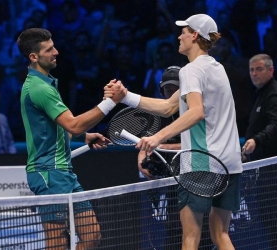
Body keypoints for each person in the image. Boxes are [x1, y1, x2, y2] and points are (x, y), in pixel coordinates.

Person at [105, 14, 243, 250]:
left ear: (195, 35)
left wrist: (157, 137)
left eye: (184, 31)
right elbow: (170, 106)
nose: (179, 36)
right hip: (230, 163)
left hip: (202, 162)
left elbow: (196, 112)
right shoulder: (217, 68)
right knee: (221, 234)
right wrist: (125, 97)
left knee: (190, 237)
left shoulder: (190, 71)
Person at [16, 28, 125, 249]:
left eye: (54, 46)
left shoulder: (46, 84)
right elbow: (73, 123)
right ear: (34, 57)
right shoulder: (38, 88)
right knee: (57, 243)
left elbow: (63, 128)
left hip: (63, 172)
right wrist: (110, 103)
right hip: (48, 173)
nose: (56, 52)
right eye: (49, 50)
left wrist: (84, 136)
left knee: (92, 235)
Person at [241, 54, 277, 249]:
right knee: (269, 217)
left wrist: (256, 141)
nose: (254, 74)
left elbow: (276, 125)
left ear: (271, 70)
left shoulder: (274, 94)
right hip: (266, 166)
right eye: (251, 70)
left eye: (259, 69)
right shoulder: (262, 93)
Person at [138, 65, 181, 250]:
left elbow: (196, 144)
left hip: (192, 174)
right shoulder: (156, 113)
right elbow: (145, 143)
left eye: (175, 89)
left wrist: (161, 145)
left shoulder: (192, 110)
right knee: (172, 227)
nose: (170, 92)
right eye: (168, 89)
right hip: (169, 179)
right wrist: (141, 161)